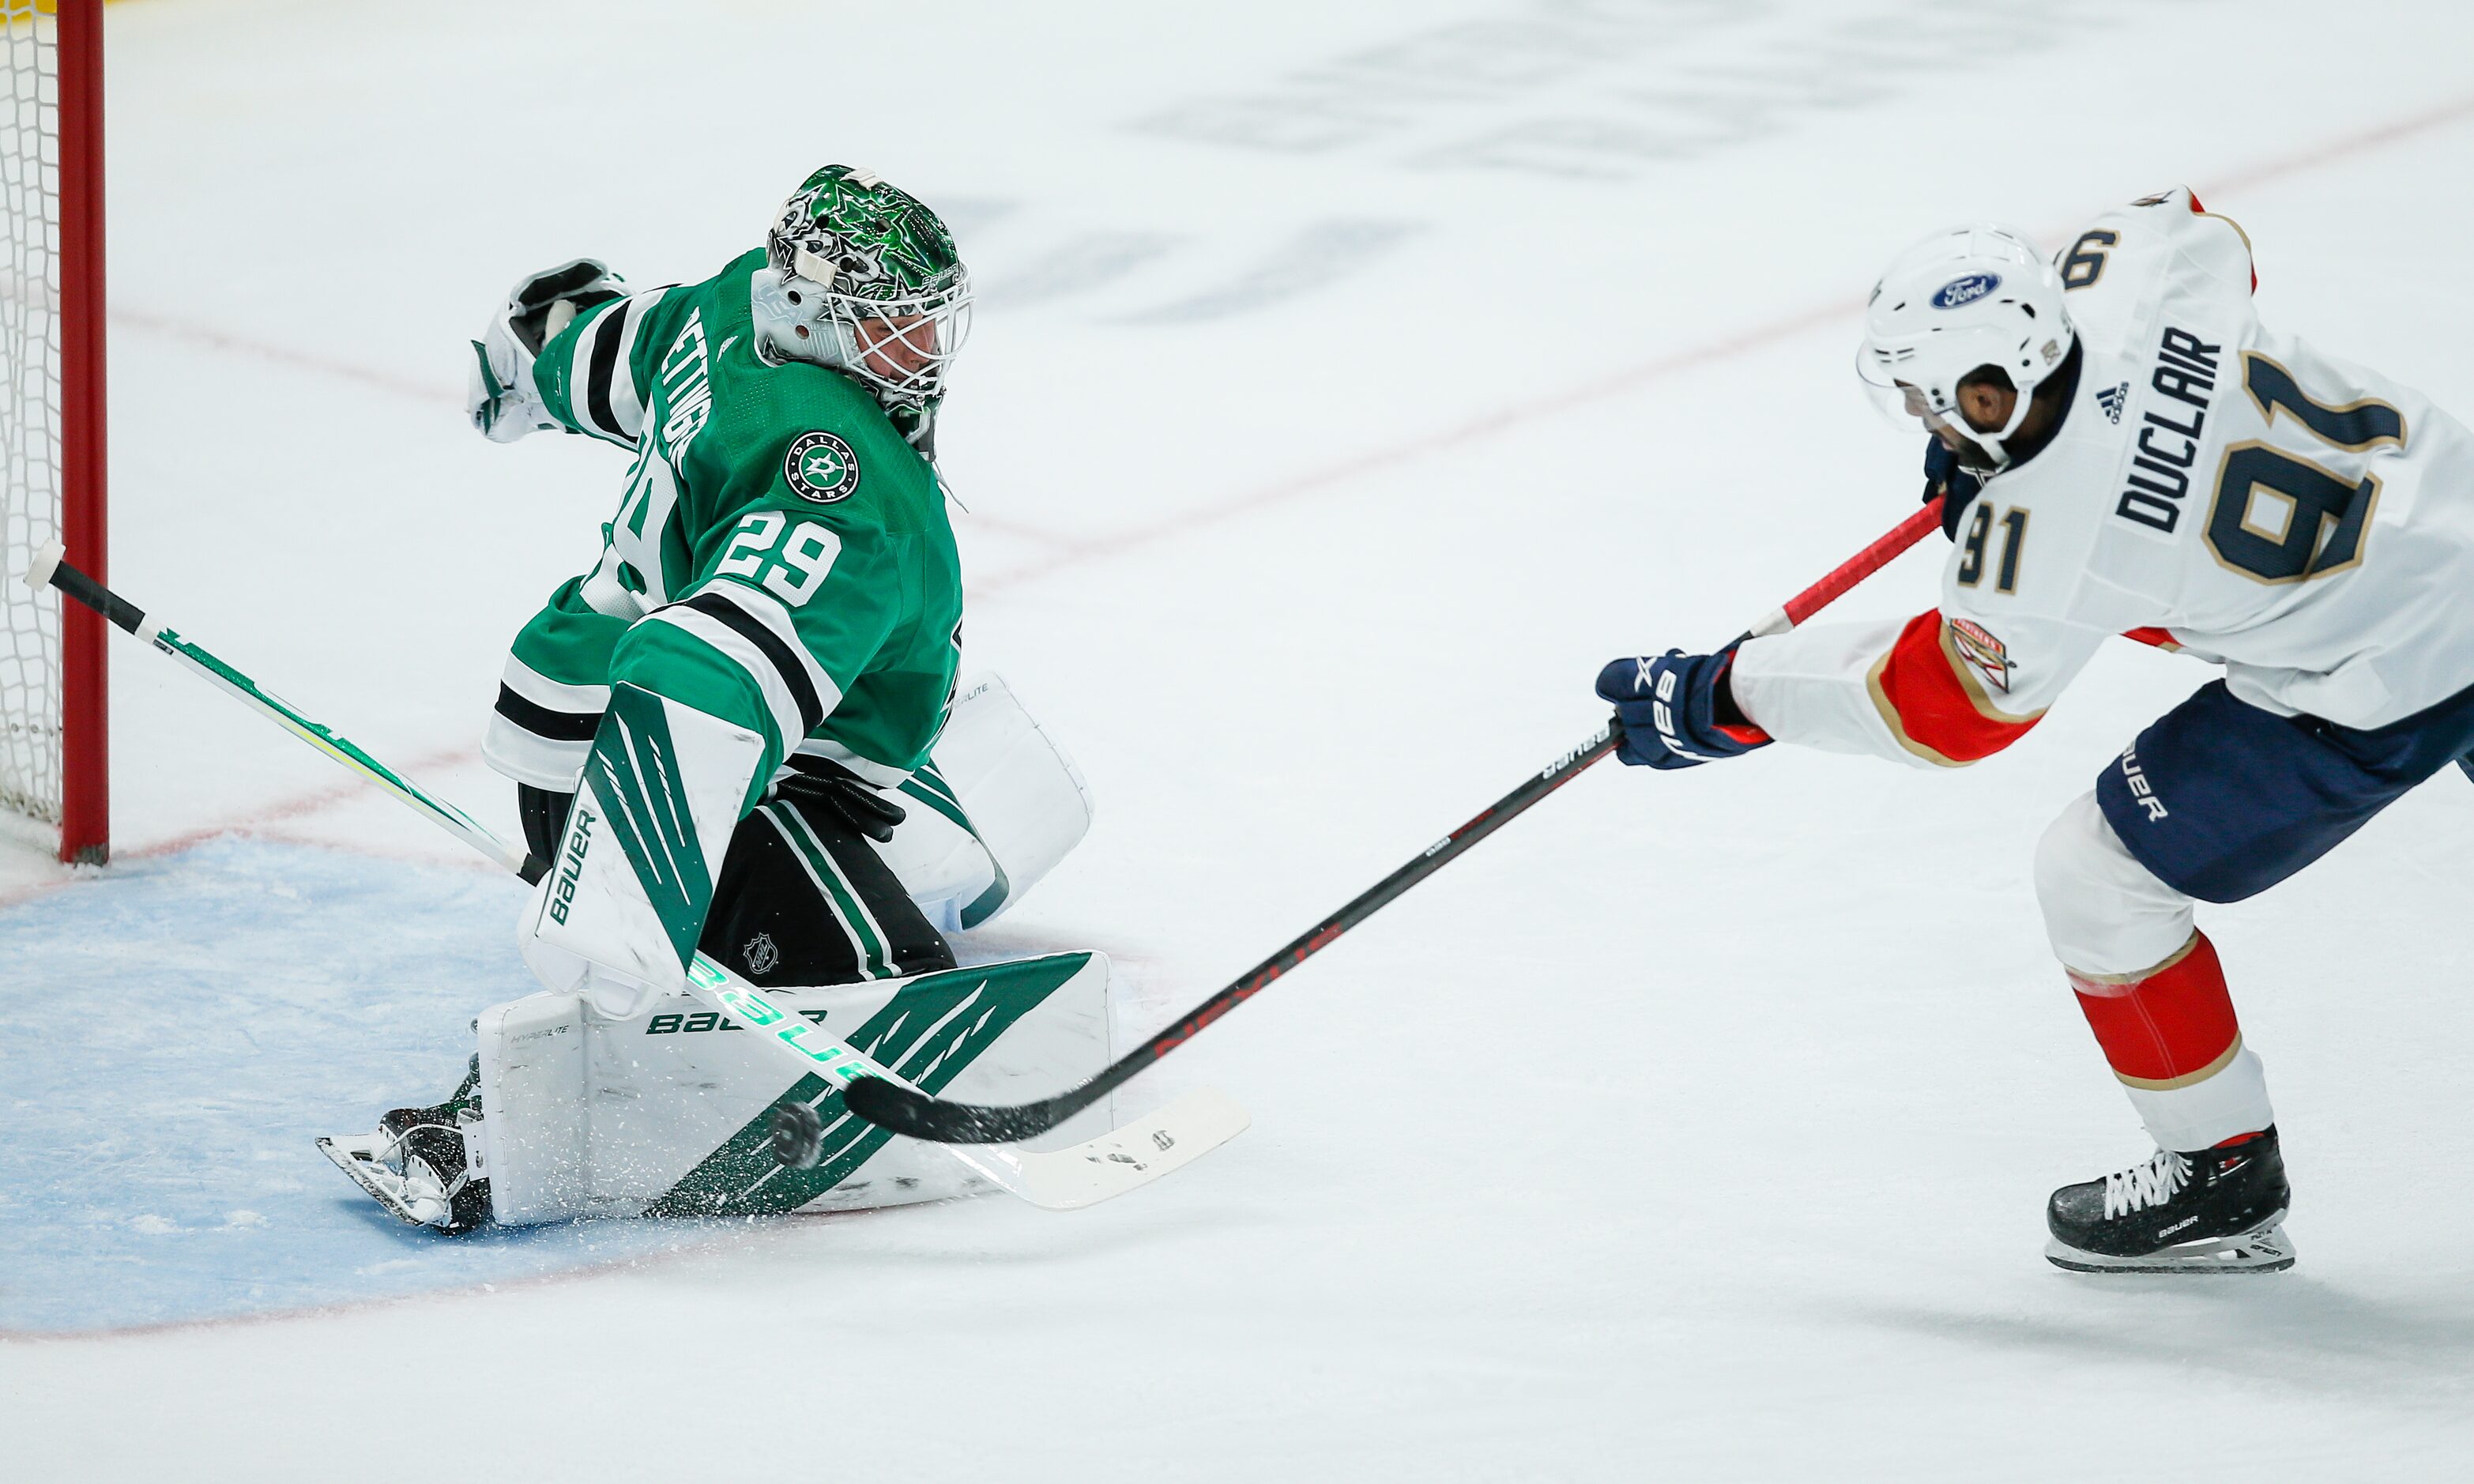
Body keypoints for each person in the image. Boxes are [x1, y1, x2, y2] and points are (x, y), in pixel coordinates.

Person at [1595, 187, 2474, 1272]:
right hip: (2452, 525)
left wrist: (1733, 694)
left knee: (2095, 878)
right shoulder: (2127, 273)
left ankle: (2222, 1172)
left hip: (2383, 675)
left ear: (1992, 386)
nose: (1925, 418)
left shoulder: (2038, 544)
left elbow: (1945, 709)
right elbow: (2208, 233)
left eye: (1937, 398)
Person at [341, 166, 1095, 1230]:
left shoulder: (730, 308)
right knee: (897, 983)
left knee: (975, 810)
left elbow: (617, 345)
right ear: (809, 315)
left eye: (929, 325)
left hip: (605, 723)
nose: (921, 354)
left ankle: (680, 911)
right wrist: (630, 882)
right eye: (889, 328)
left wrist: (532, 357)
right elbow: (708, 668)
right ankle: (472, 1128)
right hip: (679, 779)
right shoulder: (834, 473)